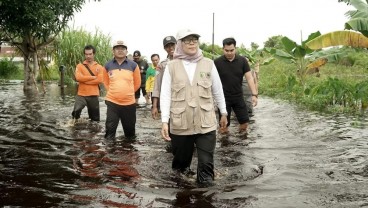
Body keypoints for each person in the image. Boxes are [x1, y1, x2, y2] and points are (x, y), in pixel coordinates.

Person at [160, 29, 228, 186]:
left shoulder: (209, 64)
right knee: (180, 170)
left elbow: (218, 90)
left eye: (194, 40)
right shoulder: (171, 67)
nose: (191, 43)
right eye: (187, 40)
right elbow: (165, 95)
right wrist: (165, 122)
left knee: (206, 167)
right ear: (180, 44)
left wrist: (223, 112)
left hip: (206, 124)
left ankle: (205, 197)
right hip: (180, 124)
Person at [214, 37, 258, 134]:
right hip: (223, 98)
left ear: (235, 48)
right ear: (223, 49)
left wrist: (254, 94)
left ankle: (239, 143)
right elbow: (212, 81)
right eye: (226, 50)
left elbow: (249, 78)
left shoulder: (242, 61)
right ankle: (226, 145)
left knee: (245, 124)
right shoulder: (217, 62)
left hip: (238, 96)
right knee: (223, 126)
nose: (229, 53)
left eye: (231, 50)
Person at [103, 40, 141, 139]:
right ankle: (111, 153)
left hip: (129, 103)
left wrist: (127, 93)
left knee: (130, 134)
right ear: (113, 51)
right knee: (109, 133)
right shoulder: (107, 65)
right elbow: (105, 82)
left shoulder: (133, 65)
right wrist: (113, 92)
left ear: (126, 51)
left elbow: (137, 83)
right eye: (117, 48)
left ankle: (129, 153)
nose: (120, 50)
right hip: (112, 103)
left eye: (123, 48)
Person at [71, 45, 103, 122]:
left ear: (94, 54)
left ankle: (93, 132)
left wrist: (84, 80)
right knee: (76, 112)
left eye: (90, 54)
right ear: (84, 54)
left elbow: (100, 80)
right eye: (86, 54)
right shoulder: (80, 66)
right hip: (81, 94)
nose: (88, 56)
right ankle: (75, 128)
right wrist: (93, 77)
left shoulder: (99, 67)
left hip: (93, 95)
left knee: (95, 120)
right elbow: (78, 78)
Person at [151, 36, 176, 119]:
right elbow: (156, 86)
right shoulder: (161, 65)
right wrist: (154, 106)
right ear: (165, 48)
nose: (171, 48)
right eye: (168, 46)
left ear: (177, 45)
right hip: (168, 100)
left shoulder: (185, 61)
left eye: (173, 45)